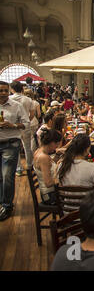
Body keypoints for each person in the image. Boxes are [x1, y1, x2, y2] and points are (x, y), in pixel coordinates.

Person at [0, 81, 30, 221]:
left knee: (7, 176)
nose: (4, 93)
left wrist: (12, 125)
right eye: (1, 90)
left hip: (11, 144)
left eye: (6, 90)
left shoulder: (16, 106)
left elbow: (25, 123)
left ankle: (7, 205)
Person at [57, 134, 94, 210]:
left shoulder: (62, 165)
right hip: (88, 213)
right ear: (87, 149)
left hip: (67, 212)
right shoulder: (92, 167)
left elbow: (60, 189)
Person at [9, 81, 35, 176]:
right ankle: (29, 165)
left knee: (15, 148)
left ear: (12, 89)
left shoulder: (9, 99)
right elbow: (32, 115)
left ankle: (19, 168)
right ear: (22, 89)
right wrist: (26, 121)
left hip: (12, 127)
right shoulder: (28, 100)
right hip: (25, 126)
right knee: (27, 147)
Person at [33, 129, 62, 205]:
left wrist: (58, 155)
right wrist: (63, 178)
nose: (56, 147)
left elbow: (50, 166)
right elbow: (48, 183)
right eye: (56, 144)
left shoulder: (39, 151)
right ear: (52, 143)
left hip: (50, 193)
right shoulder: (43, 158)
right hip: (50, 196)